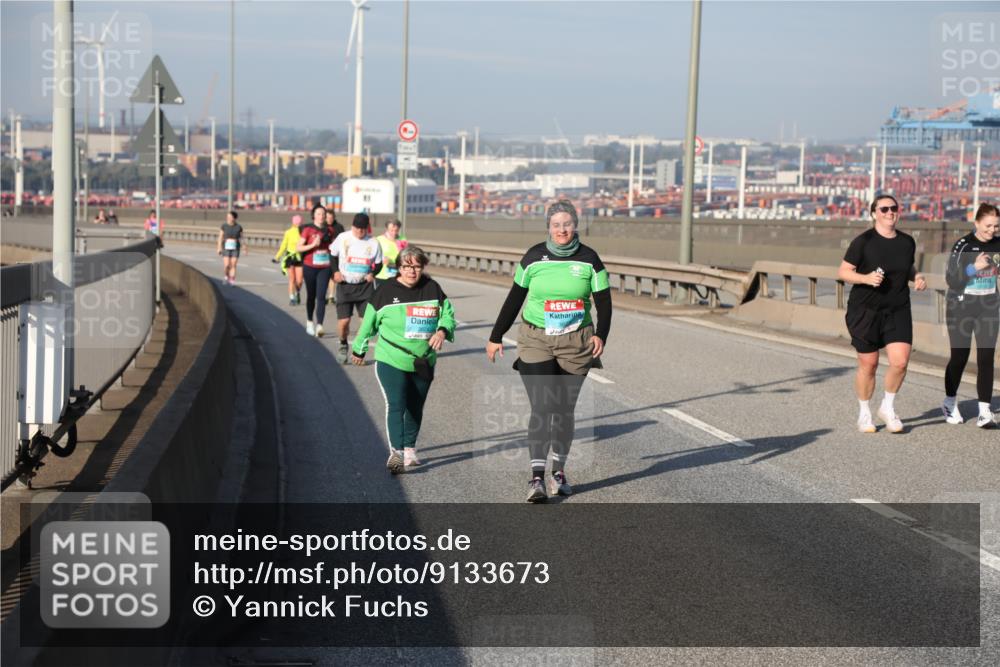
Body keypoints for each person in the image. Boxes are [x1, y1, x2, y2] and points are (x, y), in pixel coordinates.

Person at [486, 200, 612, 503]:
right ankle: (537, 479)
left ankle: (559, 472)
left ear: (576, 225)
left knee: (564, 410)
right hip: (536, 339)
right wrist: (495, 335)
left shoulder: (590, 260)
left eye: (567, 224)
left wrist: (601, 335)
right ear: (548, 227)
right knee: (543, 406)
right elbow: (514, 298)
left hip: (576, 342)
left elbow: (604, 302)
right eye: (556, 225)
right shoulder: (533, 258)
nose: (562, 230)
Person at [351, 246, 455, 473]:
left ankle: (409, 448)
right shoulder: (385, 292)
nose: (412, 271)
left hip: (423, 359)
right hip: (391, 358)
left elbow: (447, 314)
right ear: (399, 268)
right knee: (397, 403)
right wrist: (359, 349)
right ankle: (396, 453)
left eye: (417, 266)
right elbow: (368, 323)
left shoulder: (432, 288)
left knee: (416, 406)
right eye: (407, 266)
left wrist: (442, 331)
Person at [838, 194, 927, 434]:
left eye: (894, 208)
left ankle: (887, 407)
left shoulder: (907, 242)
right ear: (874, 213)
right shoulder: (863, 242)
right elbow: (844, 271)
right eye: (884, 209)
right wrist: (866, 278)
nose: (890, 213)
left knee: (900, 362)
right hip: (865, 310)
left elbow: (907, 265)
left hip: (898, 308)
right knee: (869, 364)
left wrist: (916, 277)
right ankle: (864, 412)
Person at [942, 202, 1000, 427]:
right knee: (960, 357)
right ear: (976, 223)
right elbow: (952, 280)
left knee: (986, 357)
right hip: (961, 308)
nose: (991, 230)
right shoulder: (963, 245)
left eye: (995, 226)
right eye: (987, 226)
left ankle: (985, 411)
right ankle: (949, 402)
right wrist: (973, 268)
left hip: (988, 308)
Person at [331, 212, 383, 363]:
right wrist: (335, 272)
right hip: (345, 285)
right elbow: (333, 255)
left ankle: (358, 349)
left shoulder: (373, 242)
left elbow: (379, 264)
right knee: (344, 322)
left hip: (364, 287)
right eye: (357, 228)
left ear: (367, 228)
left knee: (365, 322)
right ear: (352, 226)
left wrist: (372, 273)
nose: (359, 232)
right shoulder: (343, 238)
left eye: (363, 229)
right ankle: (342, 344)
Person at [296, 203, 336, 336]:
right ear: (313, 215)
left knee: (321, 296)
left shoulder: (330, 230)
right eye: (319, 214)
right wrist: (313, 245)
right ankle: (309, 322)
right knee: (311, 296)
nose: (321, 216)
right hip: (309, 267)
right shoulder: (307, 230)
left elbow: (333, 247)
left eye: (323, 214)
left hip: (324, 267)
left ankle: (319, 325)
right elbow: (299, 247)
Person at [274, 213, 304, 306]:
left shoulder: (303, 232)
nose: (298, 224)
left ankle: (297, 292)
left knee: (299, 280)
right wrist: (277, 256)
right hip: (290, 257)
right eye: (297, 222)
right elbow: (284, 245)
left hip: (300, 258)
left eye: (299, 222)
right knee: (292, 279)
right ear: (293, 223)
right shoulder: (288, 232)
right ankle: (292, 298)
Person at [375, 219, 408, 288]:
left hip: (397, 274)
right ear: (387, 229)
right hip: (382, 275)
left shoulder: (402, 239)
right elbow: (374, 256)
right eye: (391, 230)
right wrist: (382, 259)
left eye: (396, 230)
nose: (394, 233)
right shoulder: (379, 239)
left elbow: (406, 255)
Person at [216, 210, 246, 285]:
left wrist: (244, 247)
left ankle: (232, 279)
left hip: (235, 247)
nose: (228, 218)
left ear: (234, 218)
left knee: (233, 264)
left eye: (230, 217)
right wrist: (219, 248)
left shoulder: (239, 227)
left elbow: (242, 238)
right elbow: (220, 237)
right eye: (227, 217)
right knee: (227, 265)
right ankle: (226, 276)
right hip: (226, 247)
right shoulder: (224, 226)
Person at [324, 209, 346, 305]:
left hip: (335, 256)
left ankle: (331, 296)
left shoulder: (339, 227)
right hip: (323, 255)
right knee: (324, 277)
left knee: (333, 276)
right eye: (327, 217)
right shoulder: (322, 226)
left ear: (334, 217)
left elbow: (344, 241)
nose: (329, 219)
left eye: (331, 218)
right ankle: (323, 295)